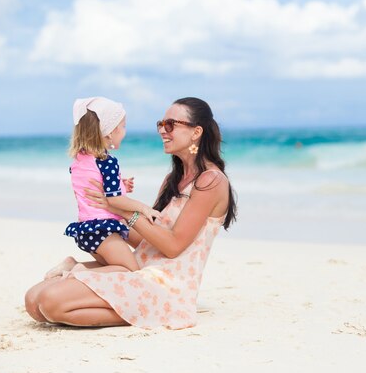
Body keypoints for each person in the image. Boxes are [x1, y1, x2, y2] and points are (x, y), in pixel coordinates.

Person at [24, 97, 237, 329]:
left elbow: (173, 245)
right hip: (140, 270)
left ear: (196, 132)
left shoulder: (210, 181)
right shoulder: (172, 180)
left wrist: (120, 210)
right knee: (33, 300)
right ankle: (130, 304)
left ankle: (166, 310)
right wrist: (104, 217)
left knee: (51, 302)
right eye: (160, 124)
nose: (162, 131)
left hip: (166, 285)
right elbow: (148, 242)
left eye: (170, 125)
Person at [51, 97, 160, 277]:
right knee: (131, 271)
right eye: (123, 126)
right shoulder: (107, 161)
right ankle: (78, 270)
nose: (125, 131)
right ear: (110, 132)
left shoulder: (81, 159)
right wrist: (143, 208)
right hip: (104, 231)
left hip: (87, 230)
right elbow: (114, 199)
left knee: (113, 266)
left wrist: (120, 184)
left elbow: (92, 185)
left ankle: (73, 265)